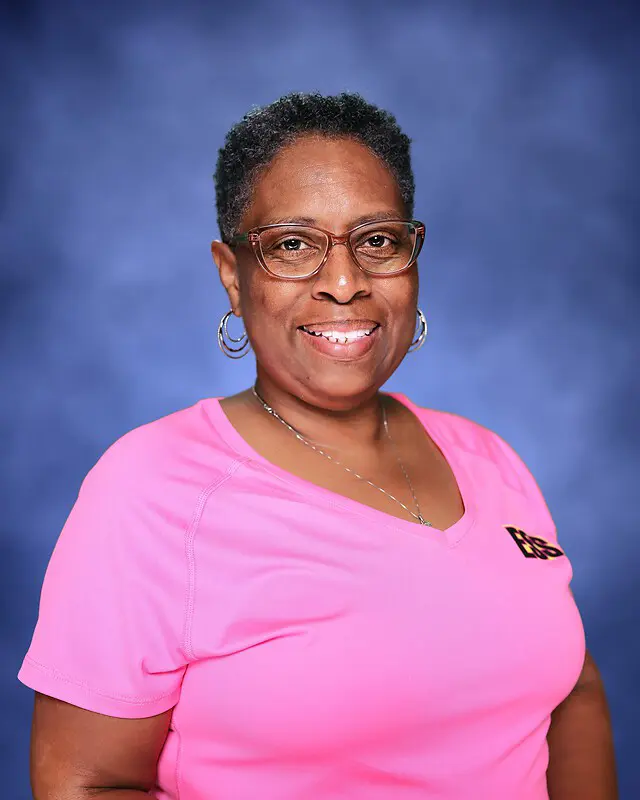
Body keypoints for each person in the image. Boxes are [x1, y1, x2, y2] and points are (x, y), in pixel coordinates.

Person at [19, 92, 617, 799]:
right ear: (232, 275)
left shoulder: (488, 459)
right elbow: (86, 783)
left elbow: (571, 686)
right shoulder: (152, 487)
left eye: (377, 241)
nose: (343, 283)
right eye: (293, 245)